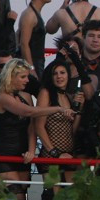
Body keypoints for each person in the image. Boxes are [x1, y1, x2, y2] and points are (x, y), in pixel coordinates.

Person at [0, 59, 75, 200]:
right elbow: (29, 112)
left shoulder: (26, 96)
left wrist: (31, 150)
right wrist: (58, 108)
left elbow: (31, 127)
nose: (27, 80)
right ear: (10, 76)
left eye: (27, 76)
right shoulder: (1, 97)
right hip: (3, 155)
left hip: (22, 156)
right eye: (23, 77)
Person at [35, 61, 84, 189]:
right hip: (51, 155)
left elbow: (72, 131)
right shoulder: (46, 93)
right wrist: (55, 153)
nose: (59, 76)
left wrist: (79, 110)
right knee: (54, 199)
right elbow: (38, 126)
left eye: (62, 73)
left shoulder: (68, 96)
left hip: (69, 154)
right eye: (55, 74)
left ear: (68, 75)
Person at [16, 0, 54, 78]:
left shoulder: (35, 12)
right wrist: (31, 68)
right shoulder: (29, 15)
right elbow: (24, 44)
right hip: (32, 63)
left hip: (37, 62)